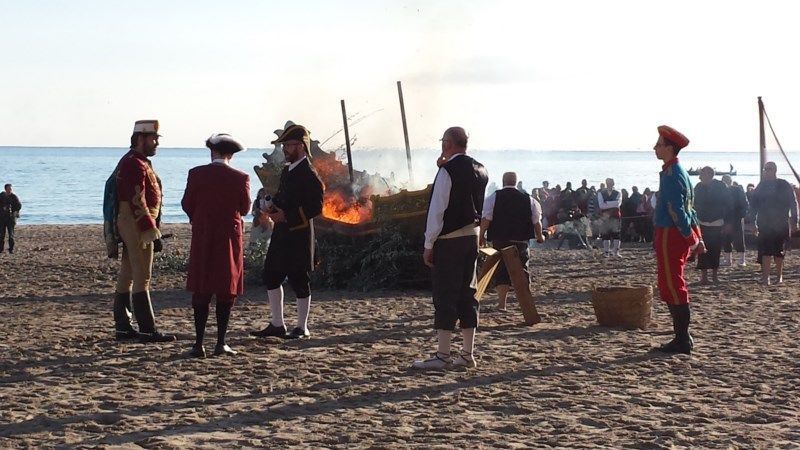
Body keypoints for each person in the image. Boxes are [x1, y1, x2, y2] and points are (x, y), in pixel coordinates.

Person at [413, 127, 488, 370]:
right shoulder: (481, 169)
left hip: (450, 239)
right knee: (468, 293)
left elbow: (437, 210)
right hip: (471, 237)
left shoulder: (447, 171)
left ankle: (443, 354)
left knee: (445, 294)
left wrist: (428, 244)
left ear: (447, 144)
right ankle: (467, 353)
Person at [251, 124, 324, 340]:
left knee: (299, 278)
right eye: (284, 145)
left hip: (299, 234)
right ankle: (277, 324)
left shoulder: (309, 173)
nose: (285, 149)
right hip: (283, 233)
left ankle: (302, 327)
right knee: (271, 275)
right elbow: (285, 198)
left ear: (301, 146)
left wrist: (288, 216)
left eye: (289, 145)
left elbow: (315, 207)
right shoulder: (288, 170)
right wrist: (272, 206)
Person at [182, 133, 251, 358]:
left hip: (203, 235)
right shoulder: (241, 177)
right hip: (228, 239)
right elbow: (245, 208)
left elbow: (186, 204)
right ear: (231, 154)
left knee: (202, 289)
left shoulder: (196, 174)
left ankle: (198, 343)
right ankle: (221, 342)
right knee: (225, 289)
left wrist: (200, 217)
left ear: (212, 152)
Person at [112, 120, 175, 343]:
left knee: (128, 274)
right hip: (135, 222)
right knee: (142, 276)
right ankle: (148, 329)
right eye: (153, 139)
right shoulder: (134, 164)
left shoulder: (136, 161)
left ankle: (123, 327)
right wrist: (150, 228)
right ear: (140, 139)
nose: (156, 142)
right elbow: (137, 199)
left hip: (132, 220)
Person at [652, 125, 705, 355]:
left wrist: (691, 239)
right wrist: (696, 237)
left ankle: (682, 339)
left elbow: (677, 211)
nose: (655, 147)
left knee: (673, 284)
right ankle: (681, 337)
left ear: (670, 148)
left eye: (659, 144)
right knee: (672, 282)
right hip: (675, 233)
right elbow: (691, 209)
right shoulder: (678, 172)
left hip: (670, 234)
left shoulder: (672, 175)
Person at [479, 172, 545, 311]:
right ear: (516, 182)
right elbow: (536, 221)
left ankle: (502, 304)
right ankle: (526, 305)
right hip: (520, 242)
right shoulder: (529, 200)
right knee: (522, 270)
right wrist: (540, 237)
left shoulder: (493, 197)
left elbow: (486, 219)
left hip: (500, 240)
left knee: (501, 270)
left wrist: (481, 236)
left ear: (503, 181)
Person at [750, 161, 799, 285]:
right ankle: (766, 278)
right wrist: (752, 222)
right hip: (764, 223)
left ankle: (779, 276)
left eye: (769, 169)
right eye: (765, 169)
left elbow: (793, 203)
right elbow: (753, 205)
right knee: (765, 251)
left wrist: (795, 220)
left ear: (775, 170)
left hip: (781, 222)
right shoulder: (761, 185)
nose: (766, 171)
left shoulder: (784, 184)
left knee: (779, 252)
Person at [693, 166, 730, 284]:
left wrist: (727, 222)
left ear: (709, 175)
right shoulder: (698, 187)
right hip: (702, 222)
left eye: (701, 174)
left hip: (717, 222)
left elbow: (728, 204)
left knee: (715, 249)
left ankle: (715, 275)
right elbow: (693, 203)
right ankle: (704, 277)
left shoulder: (721, 186)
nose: (699, 177)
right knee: (702, 249)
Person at [720, 174, 749, 266]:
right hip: (726, 218)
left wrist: (742, 214)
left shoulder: (737, 190)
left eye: (727, 180)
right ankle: (728, 260)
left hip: (736, 217)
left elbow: (744, 203)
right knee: (726, 239)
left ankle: (741, 260)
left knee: (739, 238)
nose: (725, 182)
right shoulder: (722, 191)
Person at [597, 178, 622, 256]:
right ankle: (606, 252)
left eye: (611, 183)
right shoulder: (601, 193)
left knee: (616, 234)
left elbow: (617, 204)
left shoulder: (618, 192)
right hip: (605, 217)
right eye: (608, 183)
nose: (609, 184)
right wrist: (612, 203)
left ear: (613, 183)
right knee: (605, 235)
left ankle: (616, 252)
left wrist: (606, 203)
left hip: (615, 216)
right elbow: (601, 206)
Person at [0, 184, 22, 254]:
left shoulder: (14, 197)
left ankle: (11, 249)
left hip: (11, 218)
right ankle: (1, 249)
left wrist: (13, 210)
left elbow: (19, 205)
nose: (10, 190)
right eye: (9, 189)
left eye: (11, 189)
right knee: (1, 234)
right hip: (2, 218)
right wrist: (3, 208)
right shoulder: (1, 196)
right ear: (5, 189)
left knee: (11, 234)